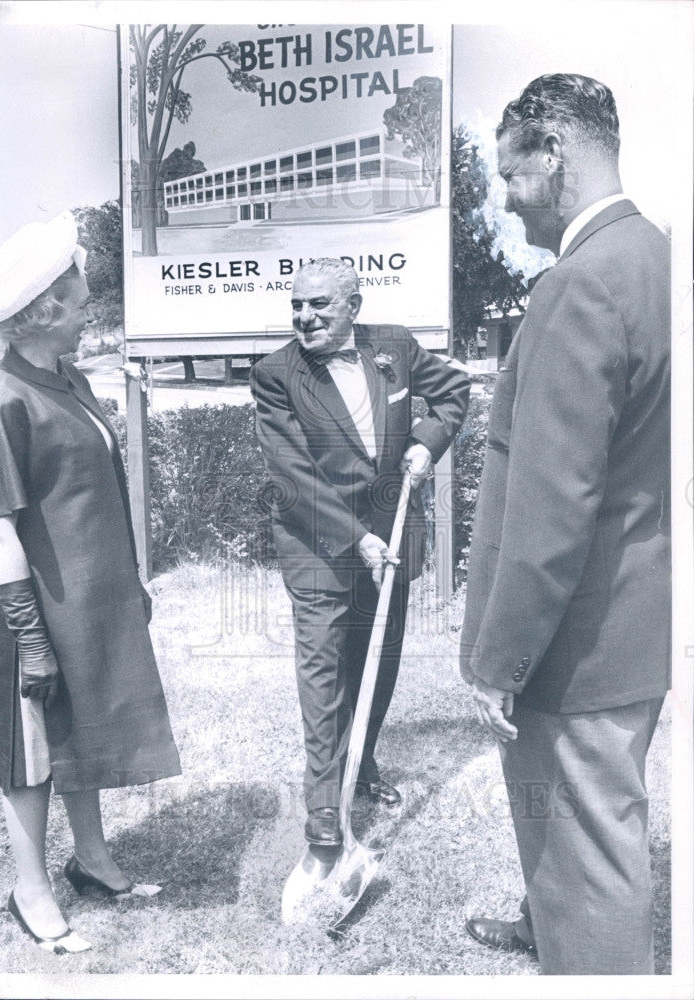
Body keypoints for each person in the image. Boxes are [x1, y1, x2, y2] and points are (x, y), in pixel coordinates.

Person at [459, 74, 670, 974]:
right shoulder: (657, 259)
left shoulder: (579, 286)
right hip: (637, 626)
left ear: (555, 153)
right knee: (598, 840)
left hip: (576, 651)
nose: (506, 200)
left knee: (593, 872)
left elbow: (550, 512)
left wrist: (501, 663)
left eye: (512, 175)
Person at [0, 212, 181, 954]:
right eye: (77, 304)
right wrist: (29, 637)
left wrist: (127, 581)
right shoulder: (1, 398)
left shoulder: (65, 375)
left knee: (86, 725)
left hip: (90, 598)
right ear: (41, 313)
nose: (87, 314)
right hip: (32, 606)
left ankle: (93, 861)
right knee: (32, 753)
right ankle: (28, 890)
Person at [251, 258, 469, 847]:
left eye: (318, 304)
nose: (304, 316)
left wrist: (427, 442)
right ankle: (324, 807)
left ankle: (362, 759)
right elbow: (292, 476)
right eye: (296, 305)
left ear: (354, 307)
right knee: (323, 669)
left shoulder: (393, 347)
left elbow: (452, 392)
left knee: (379, 655)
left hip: (392, 537)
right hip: (318, 543)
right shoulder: (275, 374)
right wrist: (356, 538)